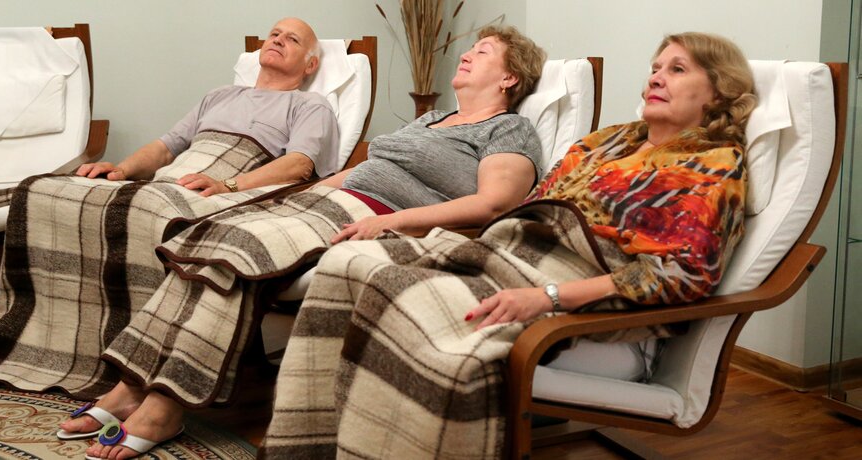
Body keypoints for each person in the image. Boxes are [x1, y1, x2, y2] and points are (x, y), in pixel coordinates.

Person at [0, 25, 547, 460]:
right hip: (333, 202)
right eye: (470, 48)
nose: (467, 54)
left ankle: (164, 406)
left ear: (510, 77)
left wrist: (391, 223)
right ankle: (132, 386)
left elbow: (494, 204)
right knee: (207, 239)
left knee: (234, 252)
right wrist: (297, 197)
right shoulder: (431, 120)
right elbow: (352, 173)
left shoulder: (508, 128)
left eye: (482, 52)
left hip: (380, 218)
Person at [259, 32, 758, 459]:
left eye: (676, 69)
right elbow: (535, 208)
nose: (655, 78)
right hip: (510, 254)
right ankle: (310, 442)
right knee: (348, 263)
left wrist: (547, 297)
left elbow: (682, 275)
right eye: (655, 68)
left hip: (581, 301)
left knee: (401, 295)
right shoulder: (608, 142)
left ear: (718, 93)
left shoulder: (711, 164)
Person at [76, 16, 339, 192]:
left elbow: (298, 165)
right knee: (60, 190)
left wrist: (227, 186)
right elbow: (166, 148)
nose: (278, 40)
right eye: (274, 34)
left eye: (292, 39)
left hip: (214, 194)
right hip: (170, 184)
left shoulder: (309, 105)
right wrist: (121, 170)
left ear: (311, 65)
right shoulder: (220, 95)